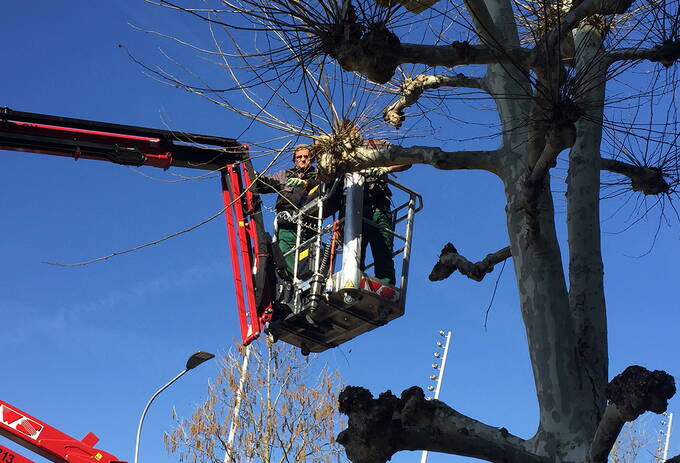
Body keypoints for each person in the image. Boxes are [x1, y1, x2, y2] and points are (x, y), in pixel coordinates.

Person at [256, 144, 319, 274]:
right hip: (287, 224)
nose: (302, 159)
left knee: (310, 257)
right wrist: (254, 176)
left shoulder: (317, 175)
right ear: (294, 160)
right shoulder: (285, 175)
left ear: (311, 159)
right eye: (299, 157)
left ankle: (306, 278)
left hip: (309, 225)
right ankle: (294, 278)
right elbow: (265, 183)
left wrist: (308, 183)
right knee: (284, 253)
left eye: (306, 157)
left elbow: (326, 184)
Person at [360, 160, 410, 285]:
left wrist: (387, 169)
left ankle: (385, 283)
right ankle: (355, 279)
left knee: (382, 249)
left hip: (378, 208)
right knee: (354, 252)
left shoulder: (380, 146)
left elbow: (407, 161)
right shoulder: (343, 151)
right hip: (355, 210)